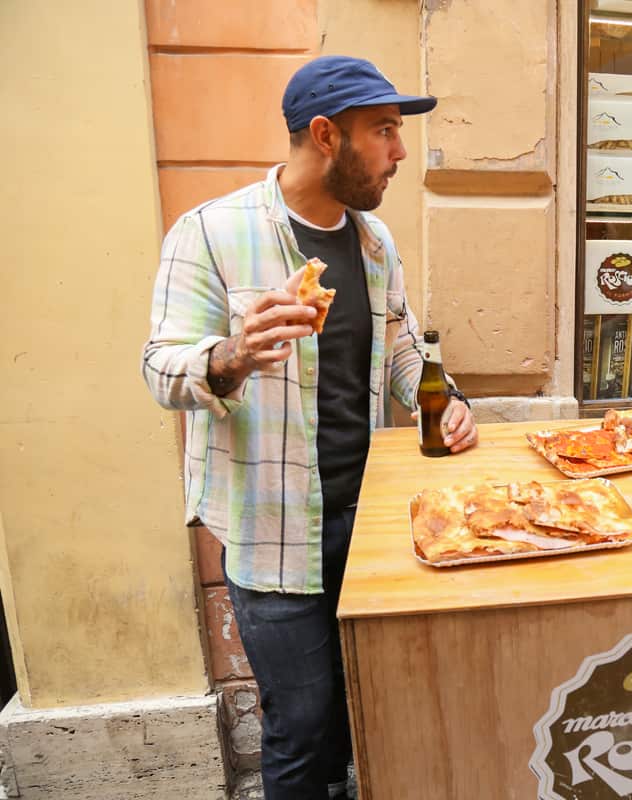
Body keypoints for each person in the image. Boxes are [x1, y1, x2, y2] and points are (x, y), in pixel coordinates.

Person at [141, 55, 477, 800]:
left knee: (368, 710)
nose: (399, 151)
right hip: (273, 533)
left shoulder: (374, 242)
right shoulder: (211, 233)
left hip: (369, 525)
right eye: (384, 131)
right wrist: (231, 355)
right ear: (326, 136)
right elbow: (160, 369)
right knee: (301, 729)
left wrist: (441, 398)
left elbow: (397, 344)